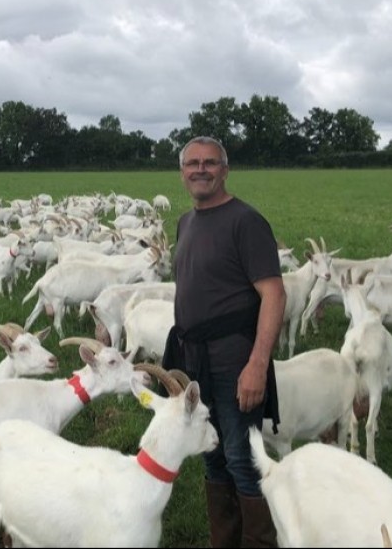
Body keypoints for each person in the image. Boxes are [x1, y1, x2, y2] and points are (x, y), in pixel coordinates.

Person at [161, 136, 286, 548]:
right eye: (192, 163)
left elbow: (274, 294)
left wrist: (257, 365)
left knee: (241, 456)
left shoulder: (245, 222)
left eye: (210, 163)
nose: (201, 169)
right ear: (182, 173)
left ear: (225, 170)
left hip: (234, 356)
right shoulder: (186, 222)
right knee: (212, 451)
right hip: (194, 357)